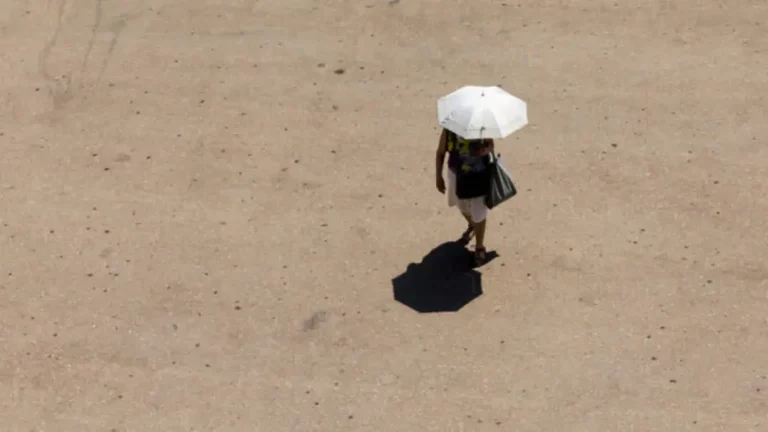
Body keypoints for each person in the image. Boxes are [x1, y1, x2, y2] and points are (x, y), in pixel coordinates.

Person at [435, 128, 494, 265]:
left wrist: (485, 150)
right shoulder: (450, 129)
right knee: (462, 207)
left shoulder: (482, 128)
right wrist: (438, 176)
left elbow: (490, 147)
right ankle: (473, 225)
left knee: (479, 213)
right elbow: (440, 153)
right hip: (456, 176)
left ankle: (479, 247)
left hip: (479, 177)